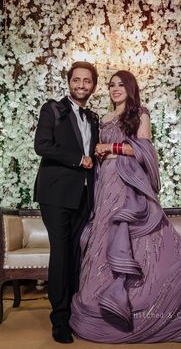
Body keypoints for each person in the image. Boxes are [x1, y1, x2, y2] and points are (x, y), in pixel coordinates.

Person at [69, 70, 181, 343]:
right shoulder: (103, 118)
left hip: (126, 183)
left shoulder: (139, 113)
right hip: (105, 183)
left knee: (134, 239)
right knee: (103, 240)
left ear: (130, 88)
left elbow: (145, 150)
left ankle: (146, 302)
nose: (115, 89)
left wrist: (111, 148)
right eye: (111, 85)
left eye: (121, 85)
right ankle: (102, 303)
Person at [34, 61, 99, 343]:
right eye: (76, 80)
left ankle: (74, 312)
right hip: (56, 195)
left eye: (87, 81)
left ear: (93, 86)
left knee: (76, 254)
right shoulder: (53, 109)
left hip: (83, 196)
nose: (81, 85)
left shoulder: (94, 117)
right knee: (61, 253)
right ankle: (59, 319)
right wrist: (78, 160)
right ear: (69, 82)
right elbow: (42, 145)